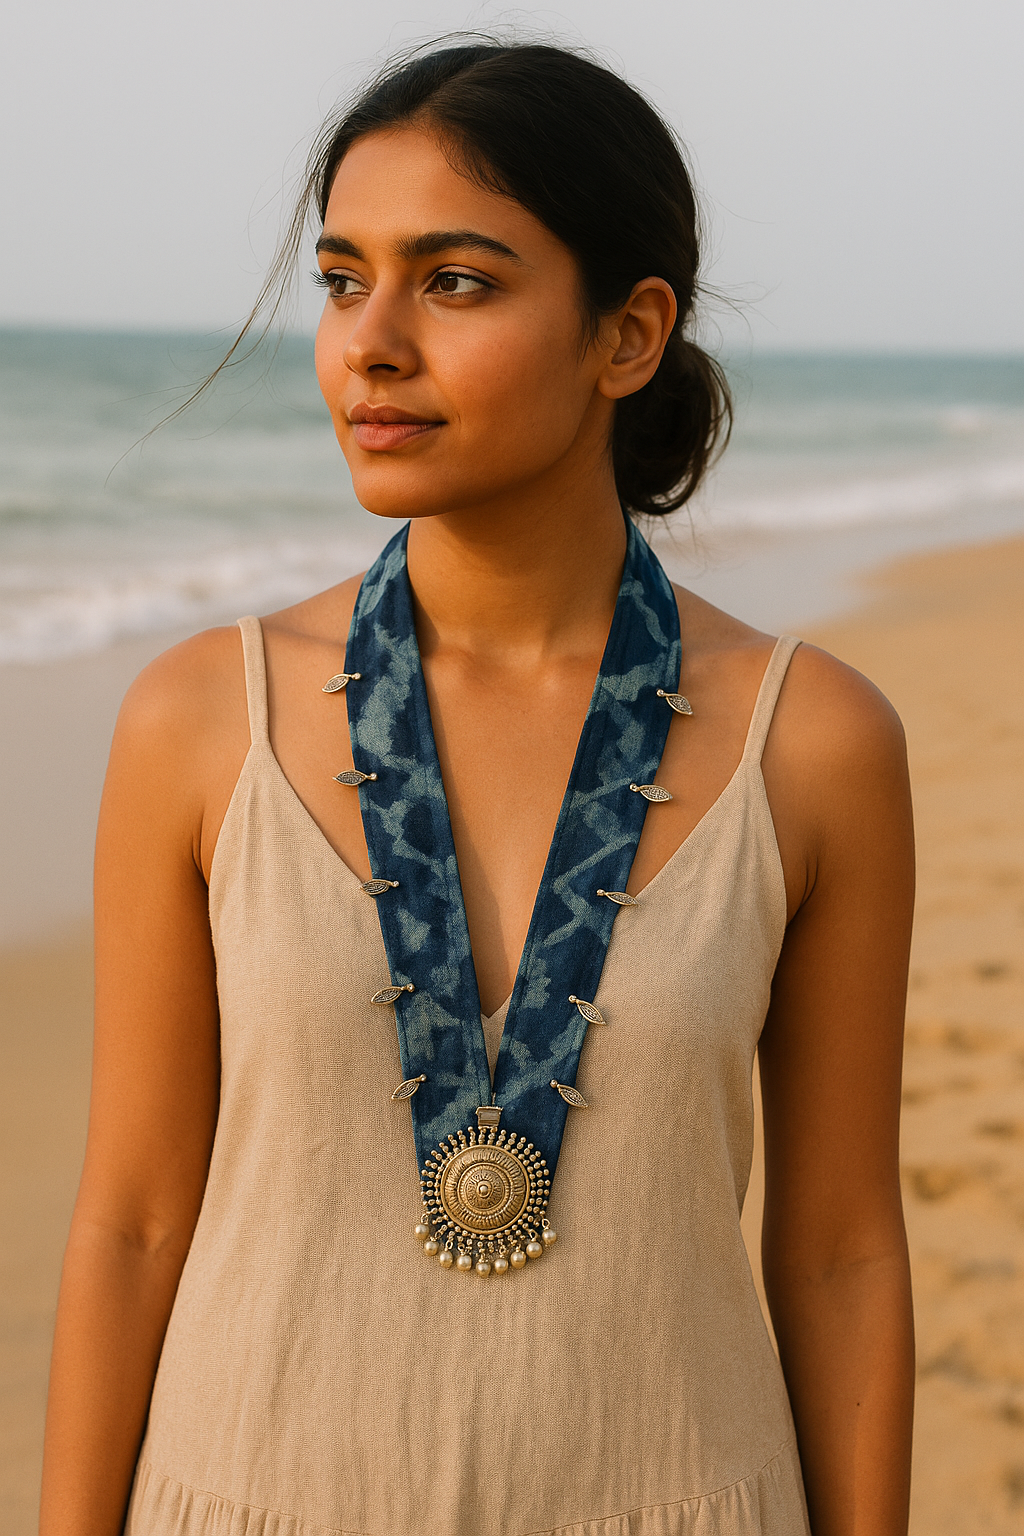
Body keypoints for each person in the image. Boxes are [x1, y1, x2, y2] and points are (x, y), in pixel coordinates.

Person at [39, 40, 915, 1536]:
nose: (370, 341)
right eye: (340, 278)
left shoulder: (813, 742)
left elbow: (838, 1253)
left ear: (628, 334)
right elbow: (130, 1225)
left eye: (455, 281)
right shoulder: (196, 721)